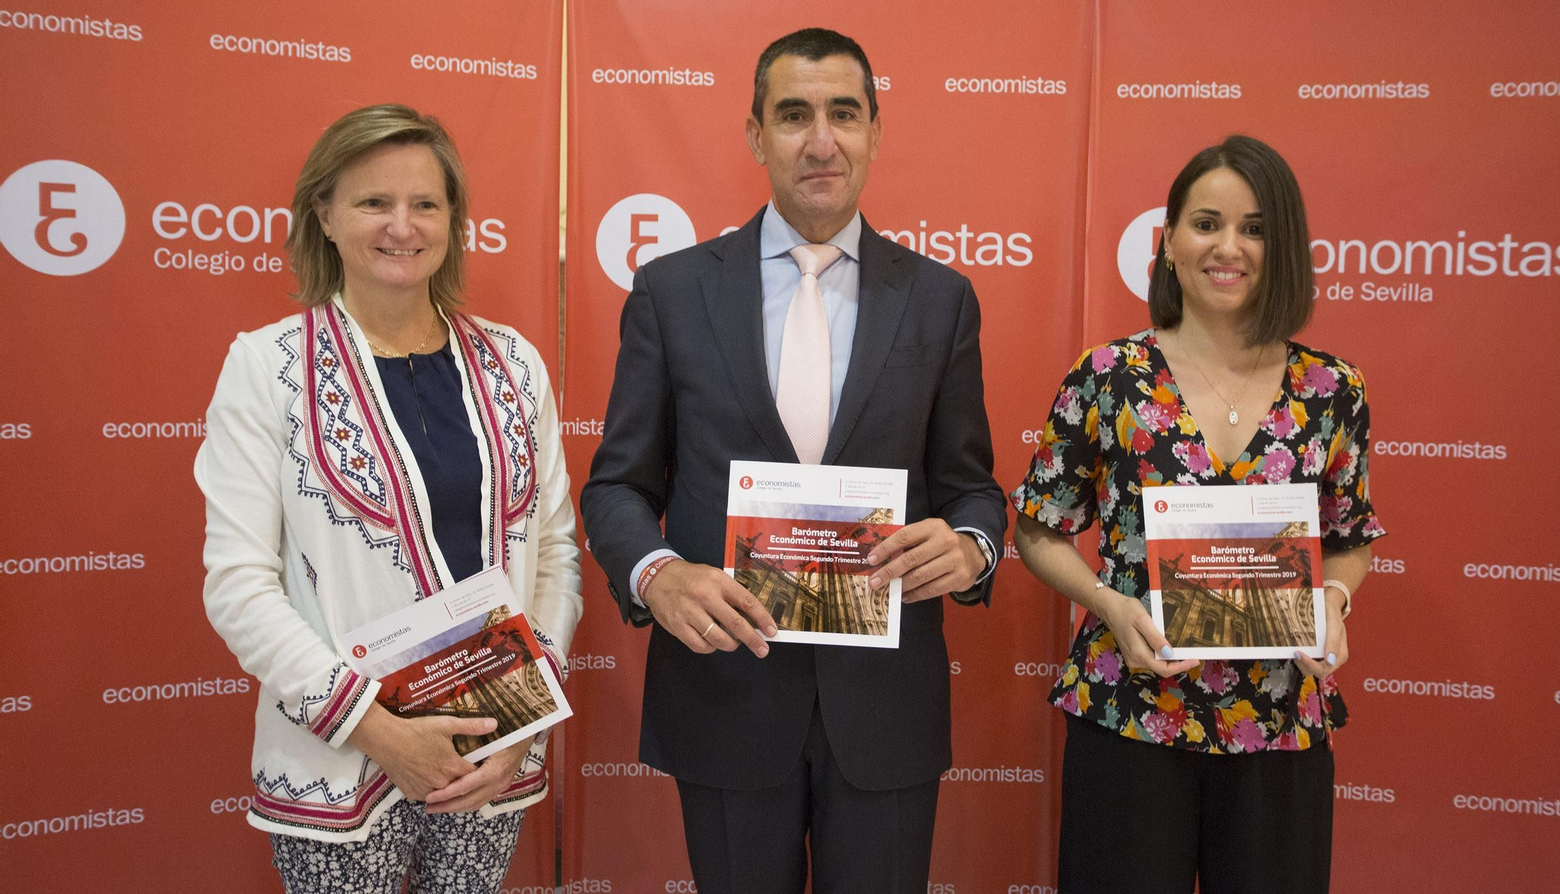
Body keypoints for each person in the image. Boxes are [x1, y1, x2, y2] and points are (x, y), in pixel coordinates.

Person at [580, 27, 1007, 894]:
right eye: (794, 115)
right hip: (727, 694)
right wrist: (656, 574)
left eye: (844, 114)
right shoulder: (672, 290)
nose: (821, 140)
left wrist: (970, 549)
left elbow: (973, 489)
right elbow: (618, 485)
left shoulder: (939, 299)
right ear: (755, 135)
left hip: (884, 706)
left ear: (875, 132)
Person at [195, 104, 580, 893]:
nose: (401, 226)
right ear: (325, 216)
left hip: (489, 754)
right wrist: (377, 731)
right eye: (373, 202)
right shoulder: (266, 367)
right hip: (338, 764)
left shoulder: (514, 364)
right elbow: (238, 584)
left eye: (425, 204)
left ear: (453, 221)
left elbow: (556, 553)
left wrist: (521, 717)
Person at [1012, 134, 1384, 894]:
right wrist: (1109, 605)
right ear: (1170, 242)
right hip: (1129, 710)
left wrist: (1335, 603)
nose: (1230, 247)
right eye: (1207, 223)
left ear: (1285, 247)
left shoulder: (1334, 390)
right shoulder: (1109, 377)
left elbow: (1349, 537)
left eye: (1255, 228)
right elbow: (1037, 527)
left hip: (1278, 722)